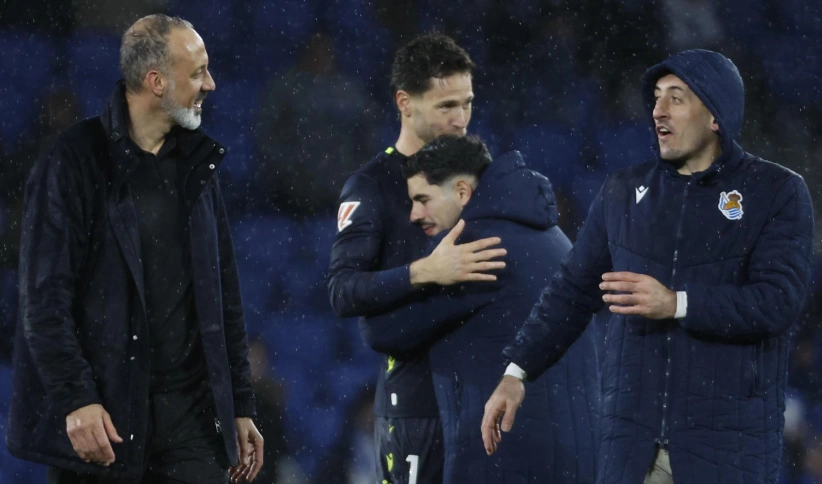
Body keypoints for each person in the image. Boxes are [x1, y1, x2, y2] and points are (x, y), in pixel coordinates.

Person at [482, 49, 815, 484]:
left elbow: (777, 302)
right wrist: (517, 371)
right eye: (656, 97)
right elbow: (572, 291)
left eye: (676, 98)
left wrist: (677, 303)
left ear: (716, 116)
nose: (658, 110)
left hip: (729, 448)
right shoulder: (623, 191)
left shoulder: (777, 192)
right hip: (631, 446)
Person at [9, 14, 264, 483]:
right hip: (104, 419)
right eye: (198, 72)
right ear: (155, 81)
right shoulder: (72, 161)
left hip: (191, 422)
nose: (211, 83)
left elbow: (222, 293)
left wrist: (240, 405)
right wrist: (76, 398)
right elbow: (44, 300)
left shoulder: (197, 165)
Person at [360, 135, 600, 483]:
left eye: (423, 199)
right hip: (580, 456)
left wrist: (422, 271)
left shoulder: (471, 248)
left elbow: (382, 331)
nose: (414, 215)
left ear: (461, 192)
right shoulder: (553, 237)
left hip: (503, 457)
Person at [327, 33, 505, 484]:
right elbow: (343, 291)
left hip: (486, 391)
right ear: (405, 103)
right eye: (447, 106)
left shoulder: (485, 178)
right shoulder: (371, 186)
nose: (461, 118)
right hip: (417, 399)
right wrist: (425, 272)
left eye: (467, 103)